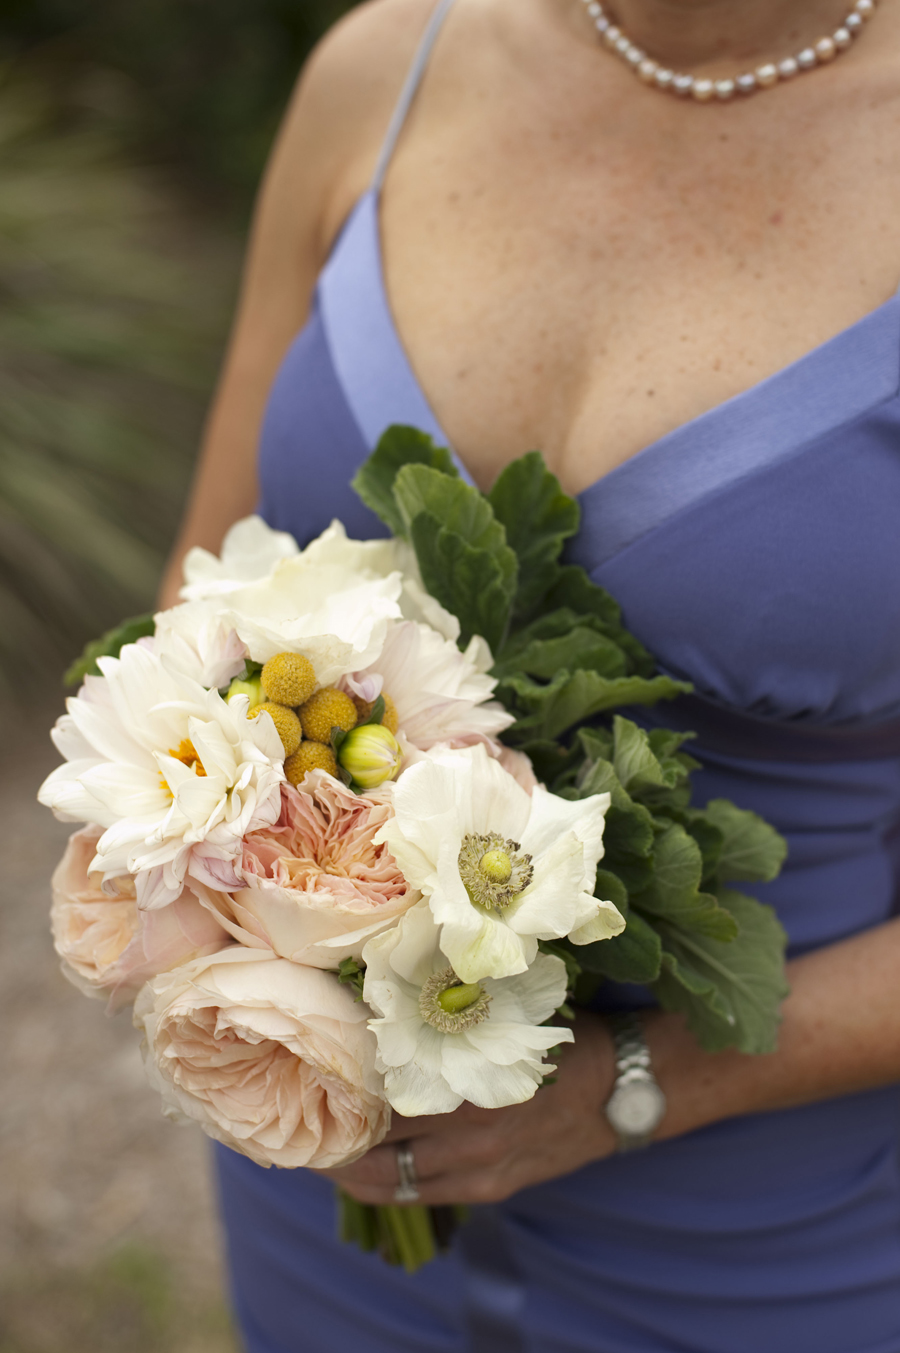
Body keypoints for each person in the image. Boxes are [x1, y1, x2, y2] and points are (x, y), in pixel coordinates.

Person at [158, 1, 900, 1348]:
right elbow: (198, 595)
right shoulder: (386, 68)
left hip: (784, 1237)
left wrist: (639, 1078)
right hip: (341, 1196)